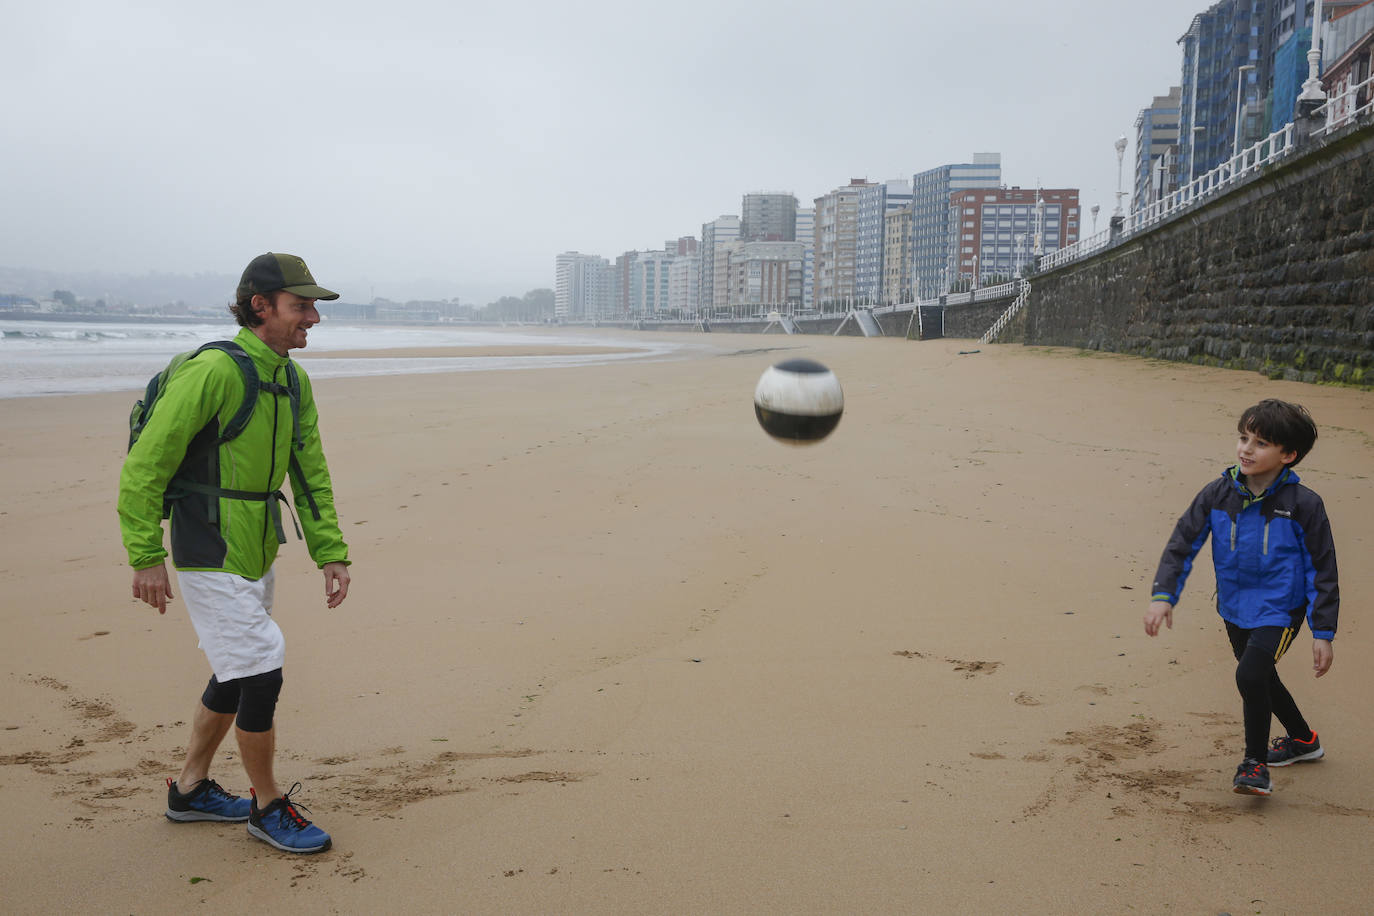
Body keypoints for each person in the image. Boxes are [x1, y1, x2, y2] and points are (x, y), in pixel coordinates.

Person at [118, 252, 352, 852]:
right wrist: (146, 554)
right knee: (262, 664)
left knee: (235, 664)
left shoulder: (291, 378)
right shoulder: (215, 371)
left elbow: (309, 470)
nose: (313, 319)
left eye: (314, 307)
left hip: (256, 540)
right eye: (301, 307)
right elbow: (145, 467)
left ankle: (191, 790)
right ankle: (266, 804)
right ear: (260, 306)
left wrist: (331, 551)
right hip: (207, 540)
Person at [1144, 398, 1337, 797]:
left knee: (1249, 675)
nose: (1247, 449)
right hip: (1233, 606)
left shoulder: (1303, 505)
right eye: (1244, 437)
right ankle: (1303, 740)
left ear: (1289, 455)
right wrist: (1164, 595)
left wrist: (1323, 631)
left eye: (1261, 443)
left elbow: (1323, 569)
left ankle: (1255, 765)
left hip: (1281, 609)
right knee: (1261, 676)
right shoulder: (1219, 493)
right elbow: (1183, 542)